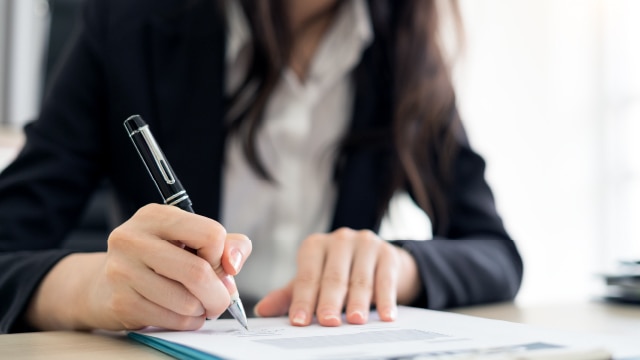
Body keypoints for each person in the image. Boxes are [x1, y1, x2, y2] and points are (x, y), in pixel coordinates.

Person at [0, 0, 523, 333]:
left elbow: (496, 254)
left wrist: (397, 267)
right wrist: (91, 287)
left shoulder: (404, 50)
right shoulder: (126, 24)